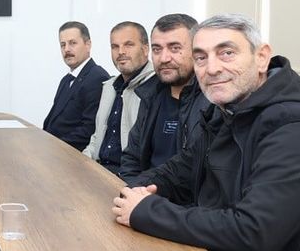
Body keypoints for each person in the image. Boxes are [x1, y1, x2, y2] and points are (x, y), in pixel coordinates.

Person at [112, 14, 300, 251]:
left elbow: (254, 231)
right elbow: (180, 170)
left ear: (262, 57)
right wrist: (133, 190)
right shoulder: (228, 112)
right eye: (201, 57)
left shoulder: (295, 128)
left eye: (227, 53)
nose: (212, 68)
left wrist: (147, 211)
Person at [119, 14, 210, 184]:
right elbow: (131, 158)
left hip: (185, 200)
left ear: (196, 51)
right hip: (143, 192)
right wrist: (134, 190)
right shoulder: (149, 95)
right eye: (157, 49)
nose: (164, 58)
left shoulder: (213, 101)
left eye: (174, 48)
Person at [83, 21, 155, 174]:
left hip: (128, 177)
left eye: (128, 45)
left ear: (145, 49)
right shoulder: (109, 86)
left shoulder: (156, 86)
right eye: (115, 46)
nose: (120, 52)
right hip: (99, 171)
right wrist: (81, 163)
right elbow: (97, 137)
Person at [42, 21, 109, 151]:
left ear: (88, 45)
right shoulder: (66, 80)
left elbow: (89, 130)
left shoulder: (97, 77)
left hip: (71, 155)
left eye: (73, 43)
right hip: (53, 150)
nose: (67, 49)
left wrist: (53, 147)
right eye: (63, 45)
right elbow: (52, 121)